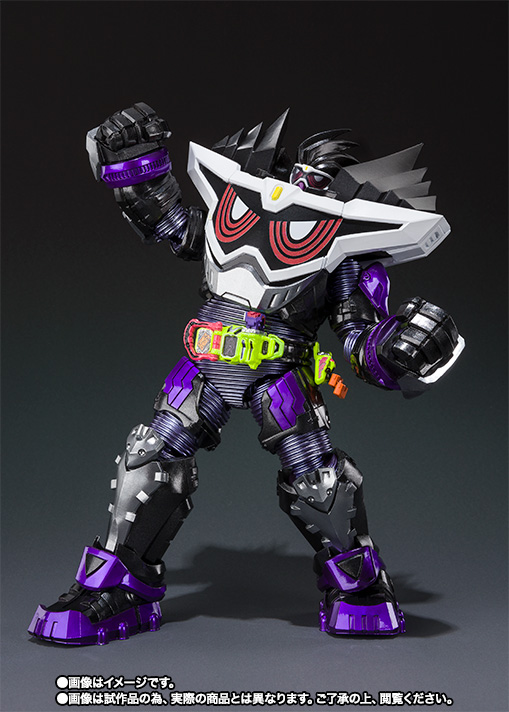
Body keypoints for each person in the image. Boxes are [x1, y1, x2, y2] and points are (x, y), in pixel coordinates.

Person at [28, 103, 463, 645]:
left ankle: (360, 586)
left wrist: (399, 347)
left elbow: (358, 336)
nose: (304, 183)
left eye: (322, 178)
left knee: (319, 482)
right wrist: (133, 163)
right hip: (205, 365)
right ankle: (119, 589)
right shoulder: (235, 215)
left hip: (280, 376)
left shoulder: (345, 249)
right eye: (302, 170)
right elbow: (171, 223)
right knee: (149, 460)